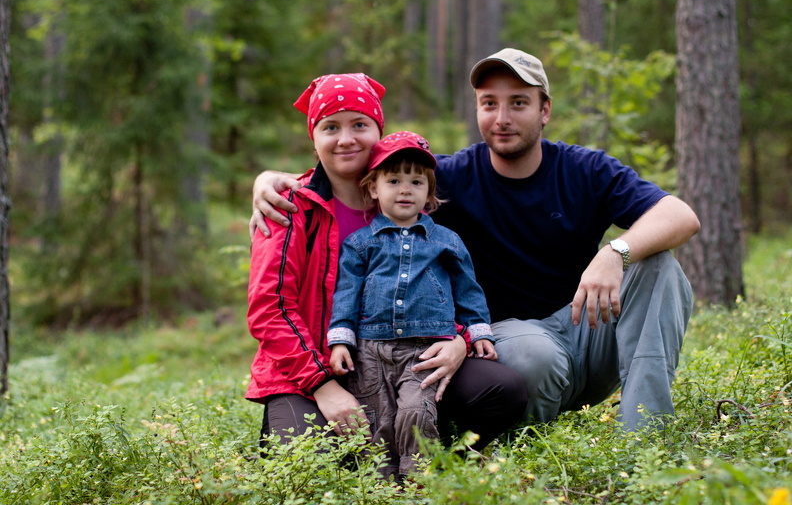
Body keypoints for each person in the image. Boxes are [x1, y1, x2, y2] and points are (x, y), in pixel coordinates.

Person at [249, 48, 702, 433]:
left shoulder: (585, 170)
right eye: (489, 103)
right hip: (513, 343)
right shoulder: (447, 178)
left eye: (518, 103)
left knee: (658, 264)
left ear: (545, 110)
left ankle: (648, 434)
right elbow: (372, 172)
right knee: (531, 359)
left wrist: (615, 252)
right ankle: (530, 450)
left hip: (586, 326)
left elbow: (680, 215)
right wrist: (270, 179)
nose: (502, 118)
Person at [246, 72, 527, 451]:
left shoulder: (410, 195)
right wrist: (323, 387)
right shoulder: (289, 207)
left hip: (409, 358)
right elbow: (269, 309)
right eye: (330, 127)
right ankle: (379, 449)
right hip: (316, 370)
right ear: (314, 138)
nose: (346, 139)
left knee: (500, 390)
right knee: (304, 450)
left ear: (378, 131)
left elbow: (447, 279)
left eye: (359, 124)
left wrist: (460, 339)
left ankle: (430, 460)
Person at [328, 131, 498, 478]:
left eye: (416, 182)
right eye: (394, 180)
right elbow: (346, 293)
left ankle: (418, 478)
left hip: (424, 349)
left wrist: (479, 331)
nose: (405, 189)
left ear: (428, 193)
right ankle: (382, 482)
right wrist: (341, 339)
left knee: (416, 411)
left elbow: (468, 290)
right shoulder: (360, 244)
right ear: (374, 188)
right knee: (378, 418)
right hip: (370, 348)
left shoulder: (446, 242)